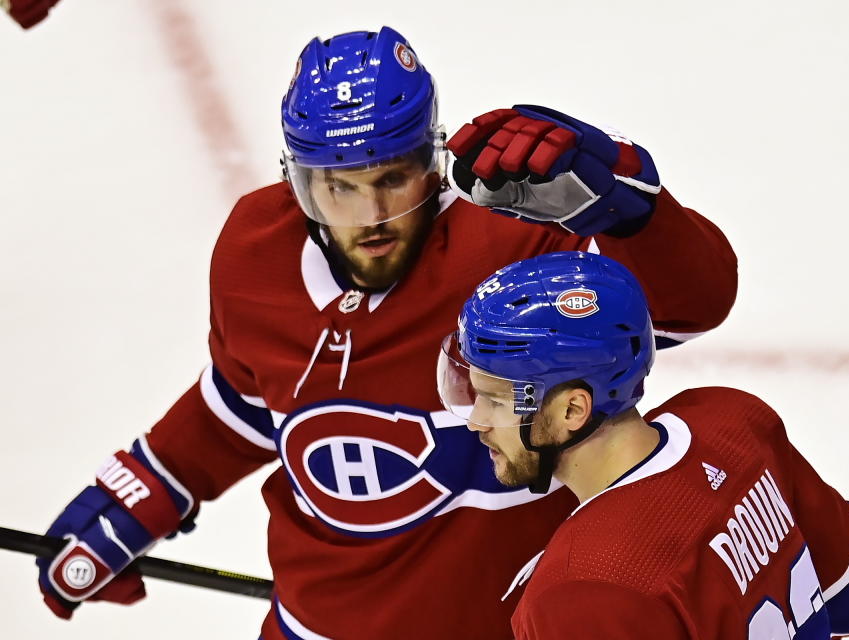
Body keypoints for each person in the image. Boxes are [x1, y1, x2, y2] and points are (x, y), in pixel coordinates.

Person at [36, 26, 738, 639]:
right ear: (299, 180)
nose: (370, 216)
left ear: (432, 165)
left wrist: (629, 214)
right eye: (338, 187)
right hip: (313, 628)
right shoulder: (255, 251)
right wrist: (146, 489)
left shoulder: (515, 243)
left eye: (394, 179)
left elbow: (690, 308)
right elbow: (245, 404)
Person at [439, 250, 849, 639]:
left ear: (572, 411)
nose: (477, 421)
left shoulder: (581, 588)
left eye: (497, 400)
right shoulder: (732, 419)